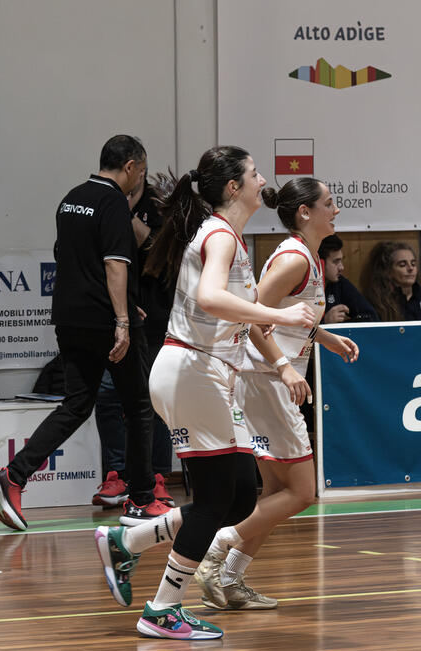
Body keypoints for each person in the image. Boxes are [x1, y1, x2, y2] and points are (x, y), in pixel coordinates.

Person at [93, 146, 316, 640]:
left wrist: (294, 335)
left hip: (204, 373)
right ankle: (162, 609)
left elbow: (232, 307)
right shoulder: (219, 235)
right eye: (255, 173)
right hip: (193, 371)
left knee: (236, 499)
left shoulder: (226, 235)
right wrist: (279, 315)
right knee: (219, 499)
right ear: (234, 187)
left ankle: (128, 541)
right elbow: (211, 298)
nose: (263, 180)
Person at [0, 134, 164, 531]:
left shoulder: (71, 199)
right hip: (106, 323)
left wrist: (123, 301)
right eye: (141, 171)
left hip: (70, 319)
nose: (140, 180)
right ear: (130, 166)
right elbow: (114, 263)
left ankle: (13, 476)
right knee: (139, 407)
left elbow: (71, 258)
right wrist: (122, 319)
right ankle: (142, 500)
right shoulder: (113, 202)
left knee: (77, 404)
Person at [194, 178, 359, 611]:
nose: (336, 210)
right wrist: (285, 366)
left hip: (267, 378)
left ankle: (229, 581)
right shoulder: (293, 258)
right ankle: (215, 549)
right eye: (329, 203)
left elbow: (284, 317)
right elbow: (250, 319)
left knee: (276, 494)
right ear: (305, 212)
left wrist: (325, 338)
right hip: (266, 379)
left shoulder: (307, 256)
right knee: (303, 493)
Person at [93, 175, 176, 509]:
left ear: (136, 171)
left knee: (154, 399)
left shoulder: (158, 204)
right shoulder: (104, 205)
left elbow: (156, 249)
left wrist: (124, 213)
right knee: (107, 396)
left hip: (156, 320)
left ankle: (156, 477)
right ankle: (117, 474)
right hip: (117, 320)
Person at [318, 235, 377, 323]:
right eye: (336, 262)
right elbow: (300, 328)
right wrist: (325, 321)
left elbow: (371, 316)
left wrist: (346, 324)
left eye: (341, 261)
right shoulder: (306, 286)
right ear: (319, 262)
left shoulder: (339, 282)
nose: (341, 267)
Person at [361, 241, 421, 321]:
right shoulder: (378, 303)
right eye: (402, 265)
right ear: (387, 270)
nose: (410, 268)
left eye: (413, 264)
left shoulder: (418, 295)